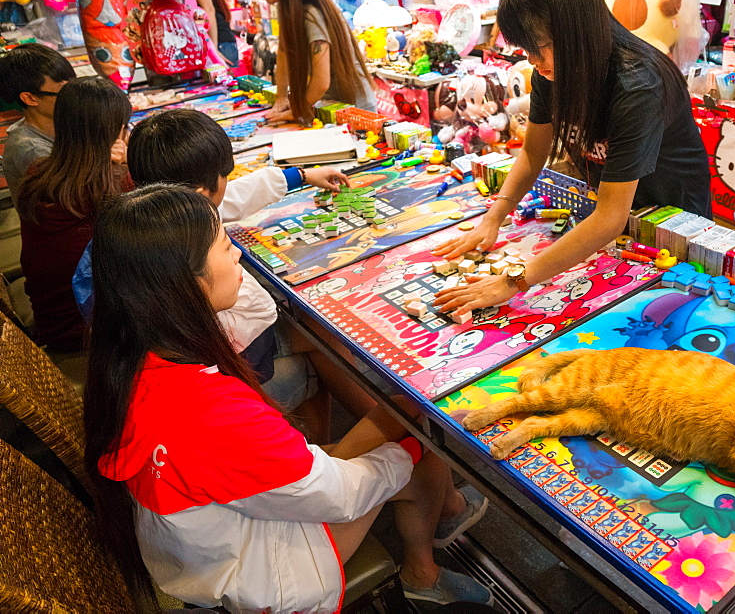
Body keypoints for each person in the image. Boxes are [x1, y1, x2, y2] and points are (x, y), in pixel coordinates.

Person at [84, 184, 493, 611]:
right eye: (225, 247)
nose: (239, 254)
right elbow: (341, 497)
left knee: (404, 420)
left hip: (204, 540)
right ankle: (423, 571)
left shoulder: (131, 353)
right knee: (419, 444)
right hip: (258, 574)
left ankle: (442, 516)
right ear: (184, 282)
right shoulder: (213, 412)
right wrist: (404, 451)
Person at [433, 0, 711, 317]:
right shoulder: (552, 72)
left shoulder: (637, 84)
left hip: (672, 232)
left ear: (576, 31)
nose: (533, 61)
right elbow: (533, 153)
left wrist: (513, 281)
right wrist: (493, 218)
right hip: (615, 228)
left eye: (539, 48)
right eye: (526, 50)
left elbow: (610, 217)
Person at [72, 109, 361, 421]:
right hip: (229, 363)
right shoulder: (180, 261)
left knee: (320, 337)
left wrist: (300, 175)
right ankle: (374, 430)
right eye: (226, 247)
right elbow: (254, 315)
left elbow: (233, 197)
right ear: (198, 198)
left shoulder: (144, 218)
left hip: (165, 366)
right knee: (322, 338)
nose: (234, 253)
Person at [18, 76, 132, 354]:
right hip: (87, 338)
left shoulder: (39, 172)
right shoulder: (116, 188)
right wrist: (126, 164)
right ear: (117, 133)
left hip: (51, 319)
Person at [245, 0, 376, 123]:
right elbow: (283, 53)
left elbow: (321, 82)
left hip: (353, 109)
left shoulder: (310, 14)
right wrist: (282, 97)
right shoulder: (290, 9)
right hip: (330, 106)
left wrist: (297, 109)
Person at [0, 44, 75, 204]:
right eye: (64, 91)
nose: (74, 96)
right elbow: (72, 198)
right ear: (30, 98)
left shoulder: (60, 122)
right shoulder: (30, 149)